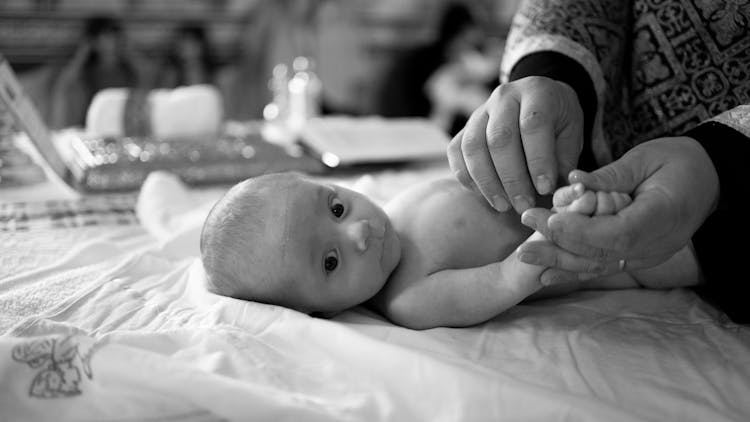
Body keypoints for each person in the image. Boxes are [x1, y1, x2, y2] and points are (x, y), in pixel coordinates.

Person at [446, 0, 750, 322]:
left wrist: (722, 160)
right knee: (628, 255)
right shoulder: (400, 293)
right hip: (589, 195)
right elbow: (489, 286)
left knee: (659, 255)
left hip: (730, 202)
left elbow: (498, 281)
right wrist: (550, 76)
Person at [199, 172, 699, 329]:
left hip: (587, 188)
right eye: (330, 262)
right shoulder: (409, 299)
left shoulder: (394, 207)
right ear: (318, 311)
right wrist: (568, 223)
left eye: (335, 208)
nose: (359, 233)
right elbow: (511, 275)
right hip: (628, 257)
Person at [376, 2, 497, 135]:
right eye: (476, 28)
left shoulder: (473, 60)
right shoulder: (419, 63)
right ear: (462, 30)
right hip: (418, 131)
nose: (480, 35)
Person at [50, 16, 141, 129]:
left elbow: (149, 81)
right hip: (95, 126)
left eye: (114, 37)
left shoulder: (127, 70)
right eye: (105, 37)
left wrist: (130, 53)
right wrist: (82, 54)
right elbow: (63, 86)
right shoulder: (88, 71)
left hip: (123, 125)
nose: (112, 43)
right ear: (94, 42)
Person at [155, 23, 217, 89]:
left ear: (201, 45)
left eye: (191, 43)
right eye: (183, 43)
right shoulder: (170, 75)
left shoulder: (215, 75)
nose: (186, 48)